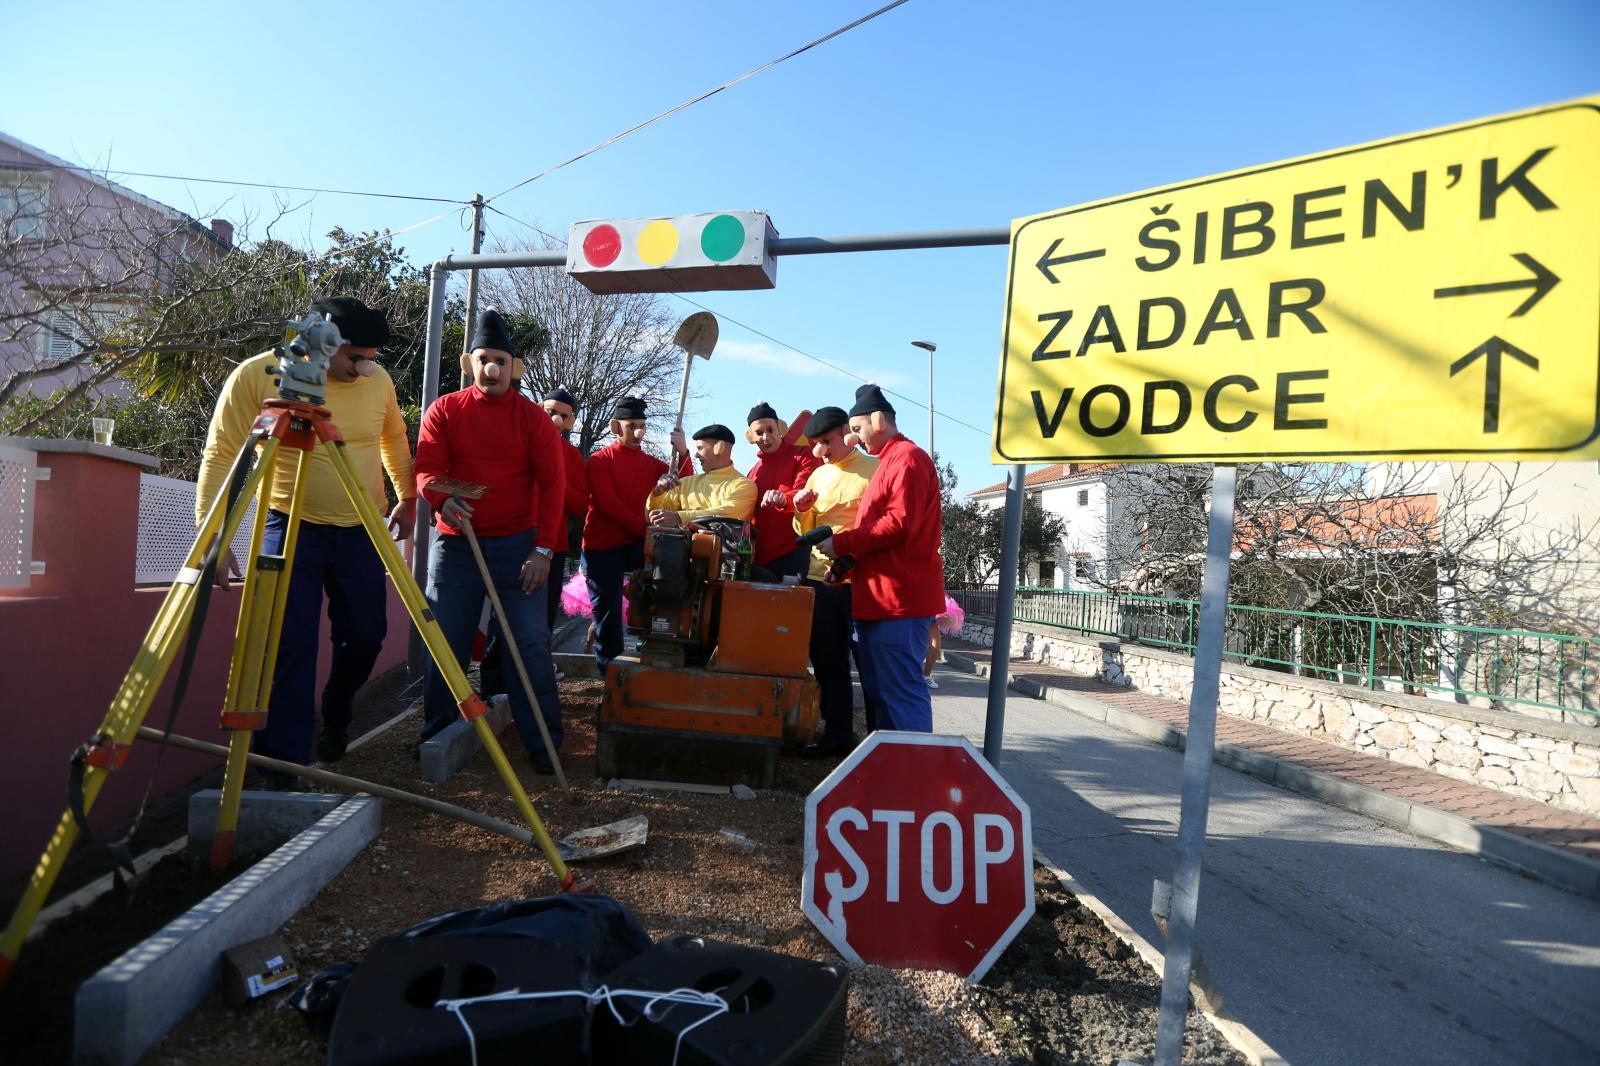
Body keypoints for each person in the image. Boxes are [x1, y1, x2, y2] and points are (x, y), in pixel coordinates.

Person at [195, 296, 416, 772]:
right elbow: (221, 453)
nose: (363, 370)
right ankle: (283, 762)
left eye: (371, 360)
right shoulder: (258, 374)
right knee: (288, 643)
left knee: (366, 636)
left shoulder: (377, 382)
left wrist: (408, 495)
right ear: (325, 340)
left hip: (361, 529)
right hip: (288, 523)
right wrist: (214, 533)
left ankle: (336, 711)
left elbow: (393, 436)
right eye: (355, 358)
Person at [414, 309, 567, 774]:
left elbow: (554, 484)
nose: (492, 369)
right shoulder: (444, 410)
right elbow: (426, 468)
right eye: (483, 359)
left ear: (514, 366)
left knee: (530, 641)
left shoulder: (534, 420)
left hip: (518, 548)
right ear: (469, 362)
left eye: (500, 359)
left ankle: (543, 741)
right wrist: (440, 500)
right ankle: (439, 730)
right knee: (447, 640)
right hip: (456, 544)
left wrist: (543, 551)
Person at [817, 384, 943, 733]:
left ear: (877, 420)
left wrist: (841, 544)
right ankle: (894, 772)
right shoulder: (891, 462)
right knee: (884, 694)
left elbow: (899, 524)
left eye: (856, 430)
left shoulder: (908, 459)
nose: (854, 440)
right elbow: (881, 532)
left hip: (899, 602)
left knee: (899, 692)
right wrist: (847, 565)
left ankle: (912, 775)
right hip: (881, 600)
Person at [479, 384, 587, 693]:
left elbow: (580, 504)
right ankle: (494, 688)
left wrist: (556, 480)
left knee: (540, 623)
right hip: (512, 540)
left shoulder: (571, 456)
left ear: (571, 421)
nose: (556, 420)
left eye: (564, 416)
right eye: (551, 412)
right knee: (502, 619)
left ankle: (531, 687)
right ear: (540, 408)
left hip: (552, 547)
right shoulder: (517, 443)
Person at [791, 406, 878, 757]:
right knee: (828, 663)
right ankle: (838, 733)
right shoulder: (818, 476)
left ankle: (878, 741)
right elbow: (804, 532)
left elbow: (884, 525)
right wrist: (801, 509)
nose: (822, 450)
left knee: (871, 665)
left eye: (827, 441)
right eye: (816, 444)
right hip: (819, 580)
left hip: (863, 581)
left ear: (846, 432)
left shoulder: (875, 469)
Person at [582, 397, 690, 672]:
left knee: (664, 596)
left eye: (642, 426)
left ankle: (655, 662)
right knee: (608, 612)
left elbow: (685, 487)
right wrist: (648, 532)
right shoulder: (599, 461)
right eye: (633, 426)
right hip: (602, 546)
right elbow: (608, 506)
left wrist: (684, 451)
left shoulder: (653, 464)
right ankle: (610, 674)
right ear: (615, 426)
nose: (639, 433)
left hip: (639, 545)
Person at [745, 401, 820, 580]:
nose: (766, 437)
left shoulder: (804, 455)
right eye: (759, 433)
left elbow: (805, 491)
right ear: (751, 437)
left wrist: (784, 499)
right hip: (759, 560)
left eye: (770, 429)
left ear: (780, 427)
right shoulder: (753, 472)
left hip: (795, 552)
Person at [646, 424, 757, 527]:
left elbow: (727, 515)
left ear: (719, 448)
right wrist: (658, 493)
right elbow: (653, 517)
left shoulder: (744, 486)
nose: (696, 455)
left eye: (700, 448)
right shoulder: (685, 483)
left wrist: (679, 517)